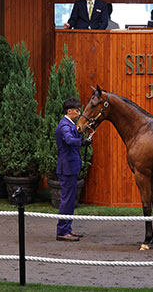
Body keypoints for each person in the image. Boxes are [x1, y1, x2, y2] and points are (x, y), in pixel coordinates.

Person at [55, 97, 91, 241]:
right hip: (67, 168)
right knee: (67, 200)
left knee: (70, 200)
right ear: (69, 111)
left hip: (70, 167)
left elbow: (73, 134)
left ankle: (67, 228)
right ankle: (62, 231)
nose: (79, 113)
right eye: (77, 110)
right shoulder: (64, 125)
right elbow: (69, 140)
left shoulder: (69, 124)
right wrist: (82, 142)